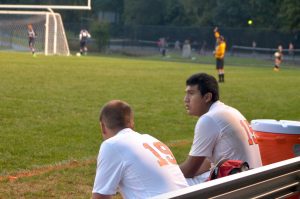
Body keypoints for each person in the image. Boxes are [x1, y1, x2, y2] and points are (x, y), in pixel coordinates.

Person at [92, 100, 188, 199]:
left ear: (103, 126)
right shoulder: (150, 139)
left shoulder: (112, 145)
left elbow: (100, 197)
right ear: (131, 123)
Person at [180, 73, 262, 185]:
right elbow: (207, 164)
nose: (186, 99)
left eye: (191, 94)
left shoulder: (209, 119)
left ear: (207, 97)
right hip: (253, 182)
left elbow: (189, 170)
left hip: (237, 187)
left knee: (170, 186)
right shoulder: (229, 111)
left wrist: (165, 172)